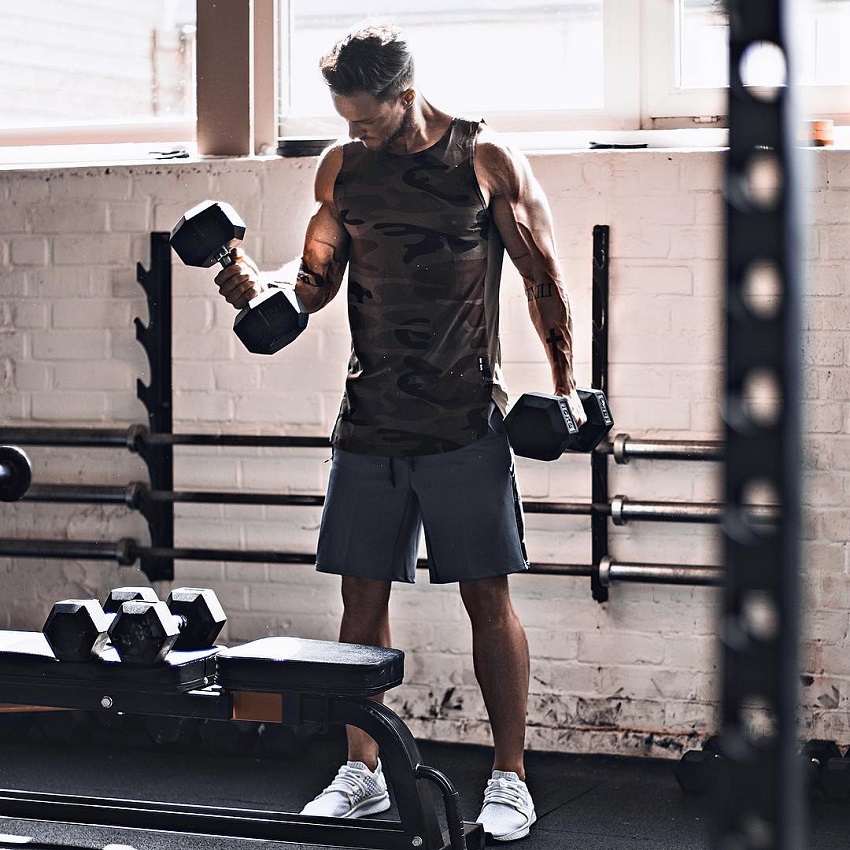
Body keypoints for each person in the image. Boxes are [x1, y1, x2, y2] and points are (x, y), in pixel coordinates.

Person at [214, 21, 586, 843]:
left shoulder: (483, 160)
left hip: (463, 423)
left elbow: (544, 279)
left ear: (406, 96)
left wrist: (568, 391)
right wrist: (252, 284)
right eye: (347, 119)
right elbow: (311, 285)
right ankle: (362, 771)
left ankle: (511, 778)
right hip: (370, 421)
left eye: (370, 119)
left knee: (487, 597)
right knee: (360, 599)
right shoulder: (342, 167)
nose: (357, 133)